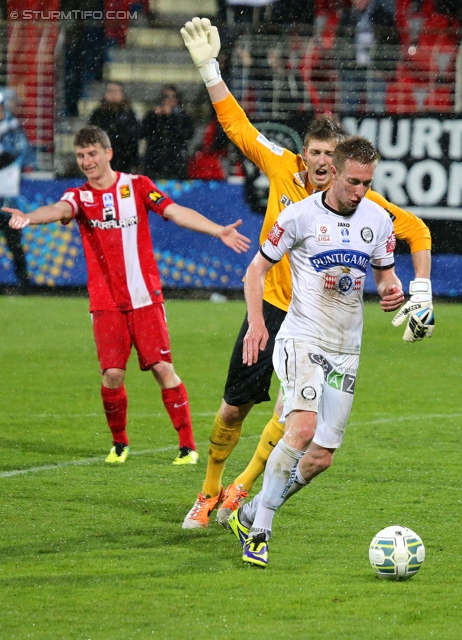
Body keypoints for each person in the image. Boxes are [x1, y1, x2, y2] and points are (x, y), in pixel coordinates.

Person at [180, 18, 433, 529]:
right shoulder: (280, 169)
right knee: (234, 408)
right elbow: (237, 126)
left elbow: (419, 232)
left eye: (328, 155)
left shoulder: (362, 201)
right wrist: (210, 68)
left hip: (316, 326)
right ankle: (208, 491)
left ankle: (241, 495)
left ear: (339, 163)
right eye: (314, 154)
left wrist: (417, 291)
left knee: (291, 420)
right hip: (271, 309)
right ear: (304, 156)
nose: (321, 163)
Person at [6, 125, 251, 465]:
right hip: (106, 301)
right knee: (112, 375)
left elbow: (175, 211)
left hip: (145, 297)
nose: (87, 161)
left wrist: (217, 229)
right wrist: (29, 219)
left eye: (92, 154)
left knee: (163, 369)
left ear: (108, 153)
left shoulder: (137, 186)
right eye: (80, 156)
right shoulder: (79, 197)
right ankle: (120, 443)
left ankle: (187, 446)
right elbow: (57, 211)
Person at [230, 136, 404, 567]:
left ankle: (250, 511)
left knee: (321, 457)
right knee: (302, 428)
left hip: (346, 347)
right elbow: (257, 268)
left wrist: (392, 291)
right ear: (332, 173)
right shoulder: (299, 216)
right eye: (352, 181)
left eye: (366, 182)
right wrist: (255, 323)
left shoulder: (379, 221)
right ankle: (260, 531)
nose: (359, 191)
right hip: (302, 336)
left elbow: (384, 277)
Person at [0, 94, 32, 291]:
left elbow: (14, 153)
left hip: (7, 193)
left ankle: (24, 283)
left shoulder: (12, 128)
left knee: (14, 242)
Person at [141, 85, 194, 180]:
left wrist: (171, 117)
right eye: (165, 96)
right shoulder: (153, 115)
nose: (168, 100)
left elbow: (187, 135)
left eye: (172, 97)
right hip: (154, 161)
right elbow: (143, 133)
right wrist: (156, 118)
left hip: (175, 161)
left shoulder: (182, 116)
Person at [88, 82, 140, 174]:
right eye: (110, 91)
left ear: (122, 95)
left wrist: (134, 162)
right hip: (102, 160)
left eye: (116, 92)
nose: (113, 95)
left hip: (123, 160)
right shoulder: (98, 114)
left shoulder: (129, 114)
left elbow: (133, 140)